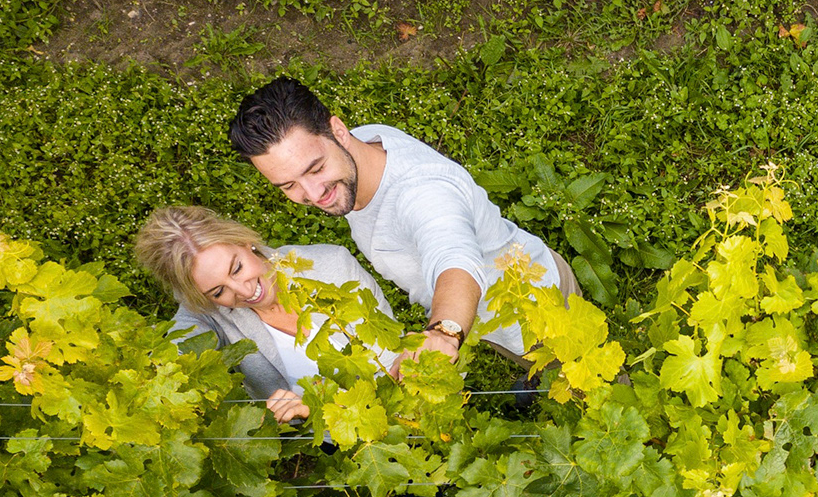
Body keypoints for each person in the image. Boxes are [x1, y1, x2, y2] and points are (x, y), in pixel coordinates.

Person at [226, 77, 577, 374]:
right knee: (528, 363)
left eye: (316, 169)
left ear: (338, 131)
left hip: (533, 309)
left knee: (577, 377)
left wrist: (443, 333)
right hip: (482, 316)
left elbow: (454, 256)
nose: (314, 194)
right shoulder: (365, 144)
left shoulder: (423, 193)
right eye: (289, 185)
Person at [133, 206, 399, 423]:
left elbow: (391, 368)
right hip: (312, 444)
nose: (244, 291)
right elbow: (179, 351)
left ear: (245, 242)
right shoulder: (208, 311)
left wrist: (322, 406)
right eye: (218, 291)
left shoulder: (333, 266)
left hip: (389, 418)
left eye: (236, 268)